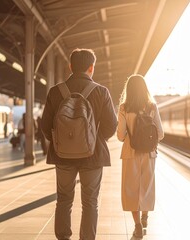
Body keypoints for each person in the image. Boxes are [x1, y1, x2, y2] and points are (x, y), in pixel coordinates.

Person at [41, 48, 117, 240]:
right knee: (90, 202)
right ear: (91, 68)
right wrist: (94, 140)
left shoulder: (55, 92)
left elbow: (44, 126)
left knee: (64, 200)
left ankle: (63, 237)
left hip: (62, 155)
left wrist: (62, 142)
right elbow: (111, 125)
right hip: (93, 156)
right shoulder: (101, 92)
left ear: (71, 67)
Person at [116, 74, 164, 239]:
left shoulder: (124, 108)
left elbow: (120, 136)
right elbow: (161, 134)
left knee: (131, 190)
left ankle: (137, 225)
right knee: (147, 187)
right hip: (149, 154)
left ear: (128, 89)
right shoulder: (152, 107)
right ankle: (145, 216)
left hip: (130, 153)